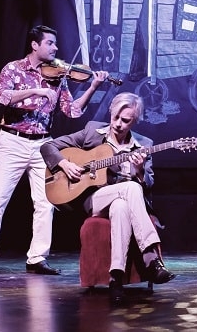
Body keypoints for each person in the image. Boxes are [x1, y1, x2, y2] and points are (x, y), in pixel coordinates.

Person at [0, 24, 110, 278]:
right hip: (13, 141)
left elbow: (72, 111)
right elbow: (2, 97)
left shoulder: (58, 76)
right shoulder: (13, 69)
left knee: (46, 201)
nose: (56, 48)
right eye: (50, 43)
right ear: (35, 45)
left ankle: (37, 257)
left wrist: (93, 87)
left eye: (55, 43)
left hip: (43, 144)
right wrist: (37, 90)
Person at [40, 92, 176, 303]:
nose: (118, 124)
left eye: (126, 120)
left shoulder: (143, 144)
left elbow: (148, 185)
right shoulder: (92, 131)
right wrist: (64, 164)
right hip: (94, 199)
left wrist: (140, 170)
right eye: (116, 117)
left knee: (121, 205)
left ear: (135, 121)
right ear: (111, 112)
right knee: (130, 188)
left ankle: (116, 278)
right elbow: (47, 146)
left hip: (125, 201)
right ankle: (151, 258)